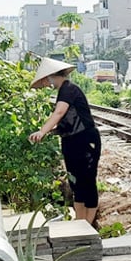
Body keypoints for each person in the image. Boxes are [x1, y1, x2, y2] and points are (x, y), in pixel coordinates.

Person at [28, 57, 102, 226]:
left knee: (87, 182)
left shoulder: (69, 89)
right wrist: (52, 132)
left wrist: (42, 131)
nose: (47, 83)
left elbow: (59, 113)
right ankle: (79, 222)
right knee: (75, 183)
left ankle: (88, 224)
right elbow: (65, 121)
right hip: (71, 142)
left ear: (53, 76)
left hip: (85, 140)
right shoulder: (63, 91)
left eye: (48, 79)